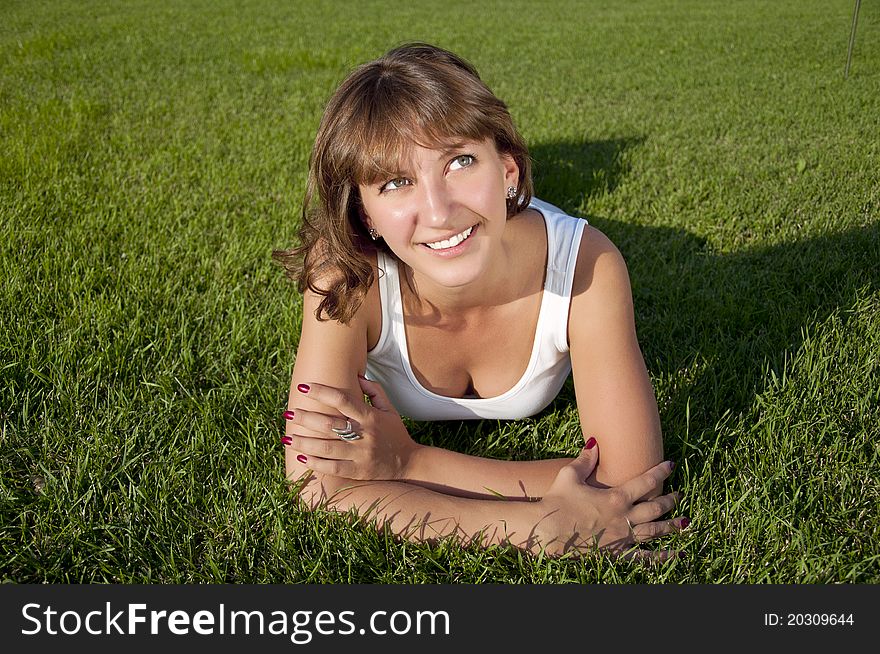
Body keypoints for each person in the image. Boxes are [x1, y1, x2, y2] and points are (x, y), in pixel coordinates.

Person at [274, 42, 688, 560]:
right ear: (365, 216)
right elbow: (315, 481)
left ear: (508, 170)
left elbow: (629, 481)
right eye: (397, 182)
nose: (439, 210)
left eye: (460, 161)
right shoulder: (344, 272)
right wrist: (539, 527)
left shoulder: (586, 265)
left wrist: (408, 464)